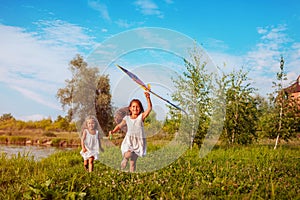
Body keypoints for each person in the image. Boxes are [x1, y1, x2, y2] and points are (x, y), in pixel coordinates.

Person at [109, 91, 152, 172]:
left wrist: (148, 98)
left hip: (138, 142)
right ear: (130, 108)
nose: (135, 108)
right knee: (128, 154)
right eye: (133, 106)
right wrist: (113, 131)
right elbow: (119, 126)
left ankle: (131, 176)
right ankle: (125, 159)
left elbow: (149, 108)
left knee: (133, 162)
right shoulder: (127, 118)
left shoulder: (141, 117)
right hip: (129, 140)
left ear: (140, 109)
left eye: (137, 107)